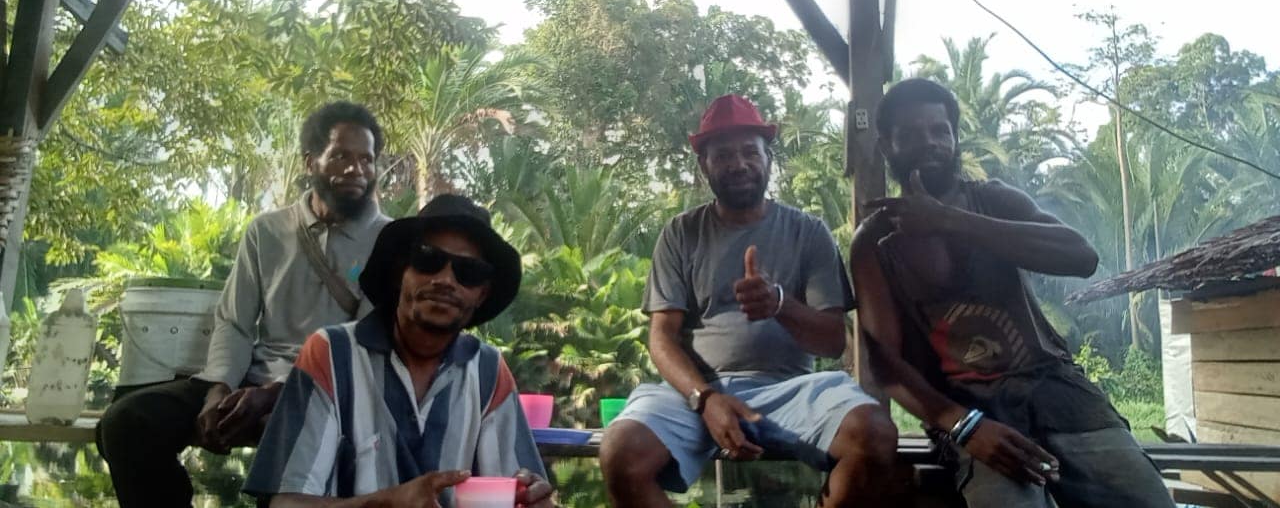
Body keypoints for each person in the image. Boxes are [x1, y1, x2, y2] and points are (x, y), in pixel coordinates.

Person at [849, 78, 1173, 507]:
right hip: (969, 408)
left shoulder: (995, 200)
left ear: (955, 138)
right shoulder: (874, 243)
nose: (929, 143)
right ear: (886, 147)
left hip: (1061, 393)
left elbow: (1081, 256)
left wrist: (947, 220)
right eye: (909, 134)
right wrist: (964, 425)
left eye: (939, 130)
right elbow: (885, 364)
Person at [600, 94, 898, 508]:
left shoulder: (808, 232)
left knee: (875, 434)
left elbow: (833, 341)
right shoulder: (680, 233)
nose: (738, 164)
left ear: (768, 159)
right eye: (723, 155)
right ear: (704, 165)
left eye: (749, 152)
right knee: (619, 452)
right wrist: (705, 399)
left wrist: (780, 305)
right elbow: (662, 338)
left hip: (789, 389)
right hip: (693, 393)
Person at [98, 101, 392, 508]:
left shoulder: (391, 240)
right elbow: (234, 322)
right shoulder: (267, 231)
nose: (356, 169)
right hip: (251, 377)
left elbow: (362, 344)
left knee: (294, 437)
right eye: (341, 156)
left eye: (366, 159)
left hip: (333, 391)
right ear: (310, 161)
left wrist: (275, 395)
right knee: (127, 421)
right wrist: (218, 390)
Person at [242, 194, 554, 507]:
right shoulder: (332, 355)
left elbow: (517, 488)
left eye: (468, 272)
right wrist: (386, 503)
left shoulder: (487, 371)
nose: (445, 280)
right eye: (428, 259)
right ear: (399, 272)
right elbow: (286, 503)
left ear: (481, 295)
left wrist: (532, 498)